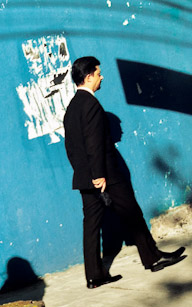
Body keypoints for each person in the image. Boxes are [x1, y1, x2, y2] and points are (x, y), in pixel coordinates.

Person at [63, 56, 185, 289]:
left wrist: (85, 174)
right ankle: (153, 258)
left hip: (85, 178)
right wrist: (99, 175)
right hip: (105, 176)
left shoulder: (72, 108)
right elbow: (94, 143)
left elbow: (72, 148)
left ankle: (94, 276)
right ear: (88, 77)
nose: (101, 77)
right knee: (133, 213)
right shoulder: (90, 104)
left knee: (91, 226)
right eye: (98, 73)